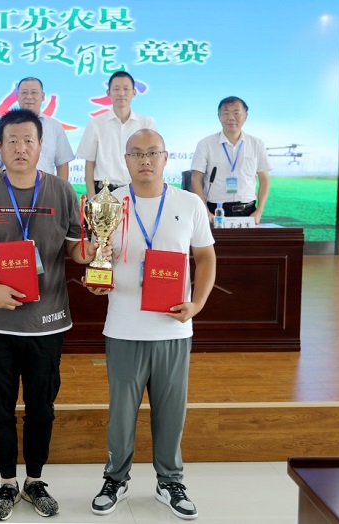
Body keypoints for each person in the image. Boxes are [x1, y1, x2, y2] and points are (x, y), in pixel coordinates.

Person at [0, 109, 97, 521]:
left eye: (29, 140)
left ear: (41, 146)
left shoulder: (62, 191)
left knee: (41, 406)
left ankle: (34, 480)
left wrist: (90, 251)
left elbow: (74, 249)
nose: (21, 148)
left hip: (47, 321)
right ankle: (6, 482)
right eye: (12, 141)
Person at [86, 129, 215, 520]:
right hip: (124, 327)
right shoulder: (108, 203)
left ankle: (169, 482)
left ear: (165, 157)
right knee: (121, 413)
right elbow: (95, 257)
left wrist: (197, 304)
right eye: (137, 154)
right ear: (125, 160)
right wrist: (97, 274)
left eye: (153, 153)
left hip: (173, 327)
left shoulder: (189, 203)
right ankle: (115, 478)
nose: (145, 160)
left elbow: (206, 258)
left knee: (171, 411)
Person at [190, 96, 271, 225]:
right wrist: (205, 211)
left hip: (248, 211)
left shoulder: (257, 144)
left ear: (245, 116)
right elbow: (196, 178)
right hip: (215, 211)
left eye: (236, 113)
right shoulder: (205, 144)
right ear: (219, 116)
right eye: (226, 113)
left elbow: (264, 179)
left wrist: (259, 211)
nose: (231, 118)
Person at [76, 71, 156, 198]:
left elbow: (154, 159)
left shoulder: (146, 124)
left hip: (137, 191)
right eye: (116, 89)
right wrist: (92, 197)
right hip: (104, 193)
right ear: (108, 93)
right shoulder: (96, 124)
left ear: (134, 92)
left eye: (126, 89)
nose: (121, 93)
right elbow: (89, 164)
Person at [0, 77, 74, 180]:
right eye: (24, 92)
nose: (29, 97)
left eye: (34, 92)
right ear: (17, 96)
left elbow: (62, 164)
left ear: (43, 97)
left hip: (46, 186)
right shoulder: (4, 125)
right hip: (8, 186)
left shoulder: (54, 126)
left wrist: (61, 189)